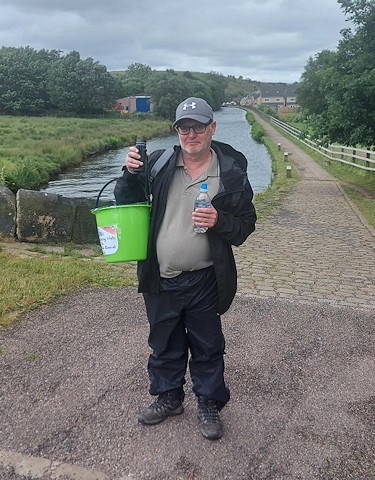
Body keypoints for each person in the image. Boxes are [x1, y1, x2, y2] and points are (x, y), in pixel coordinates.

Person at [114, 97, 257, 440]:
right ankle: (169, 397)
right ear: (176, 130)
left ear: (213, 127)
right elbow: (125, 200)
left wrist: (219, 220)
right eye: (184, 127)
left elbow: (245, 226)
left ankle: (208, 402)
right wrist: (130, 173)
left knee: (208, 346)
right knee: (164, 343)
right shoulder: (158, 164)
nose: (191, 134)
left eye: (198, 126)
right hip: (160, 277)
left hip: (206, 279)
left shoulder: (231, 173)